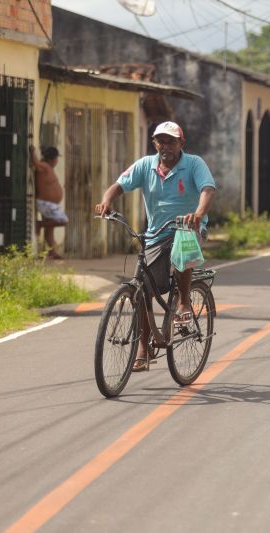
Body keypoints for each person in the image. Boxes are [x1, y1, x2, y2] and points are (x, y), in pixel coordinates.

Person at [94, 121, 217, 371]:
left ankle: (183, 301)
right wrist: (106, 201)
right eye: (160, 141)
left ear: (181, 143)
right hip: (155, 233)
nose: (165, 146)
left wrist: (198, 213)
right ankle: (144, 347)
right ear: (154, 144)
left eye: (171, 141)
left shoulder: (194, 163)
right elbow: (120, 184)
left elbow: (207, 189)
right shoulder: (145, 165)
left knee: (181, 241)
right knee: (143, 289)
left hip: (189, 227)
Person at [30, 145, 68, 259]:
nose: (57, 161)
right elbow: (36, 164)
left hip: (50, 205)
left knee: (50, 228)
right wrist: (33, 152)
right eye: (56, 159)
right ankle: (39, 224)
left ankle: (52, 251)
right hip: (46, 203)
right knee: (63, 221)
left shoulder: (48, 168)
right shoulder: (45, 166)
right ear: (52, 159)